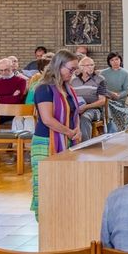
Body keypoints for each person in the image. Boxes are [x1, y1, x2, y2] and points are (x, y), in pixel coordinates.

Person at [30, 50, 82, 219]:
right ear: (59, 66)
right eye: (71, 69)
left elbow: (75, 112)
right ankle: (45, 220)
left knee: (64, 182)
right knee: (46, 183)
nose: (74, 73)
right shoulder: (44, 88)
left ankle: (62, 217)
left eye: (76, 70)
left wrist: (78, 130)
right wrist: (69, 132)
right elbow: (47, 119)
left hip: (66, 139)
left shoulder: (68, 88)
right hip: (46, 142)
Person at [70, 57, 108, 141]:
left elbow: (102, 101)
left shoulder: (100, 79)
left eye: (92, 65)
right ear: (81, 67)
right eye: (87, 65)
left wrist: (85, 107)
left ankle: (85, 145)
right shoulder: (73, 81)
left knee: (85, 117)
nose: (90, 67)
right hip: (77, 108)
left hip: (94, 110)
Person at [100, 52, 128, 132]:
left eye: (117, 59)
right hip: (106, 100)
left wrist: (118, 95)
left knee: (125, 112)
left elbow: (126, 90)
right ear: (109, 62)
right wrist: (110, 94)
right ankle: (110, 133)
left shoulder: (126, 73)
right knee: (107, 108)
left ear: (120, 60)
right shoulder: (103, 73)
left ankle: (115, 133)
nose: (115, 62)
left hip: (119, 101)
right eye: (112, 60)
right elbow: (100, 88)